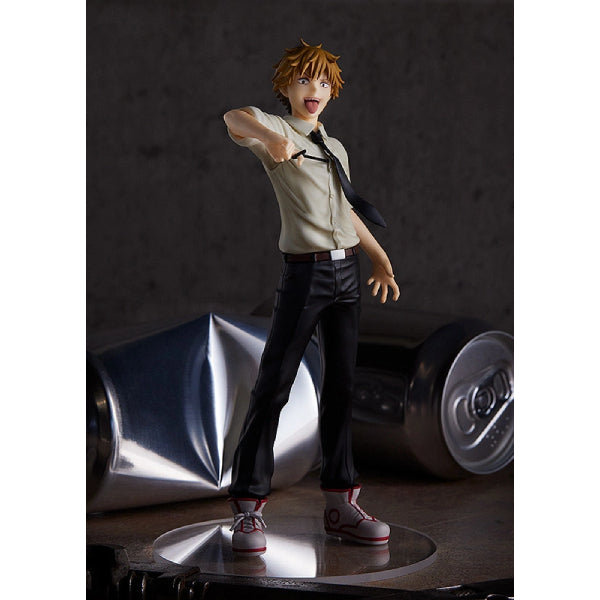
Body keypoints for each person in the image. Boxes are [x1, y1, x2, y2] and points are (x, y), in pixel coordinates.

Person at [223, 40, 400, 555]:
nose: (314, 90)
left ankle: (341, 502)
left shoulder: (335, 147)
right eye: (304, 80)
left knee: (342, 386)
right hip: (306, 273)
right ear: (286, 86)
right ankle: (249, 506)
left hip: (347, 274)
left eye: (323, 82)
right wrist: (269, 139)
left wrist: (379, 257)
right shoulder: (275, 131)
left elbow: (346, 212)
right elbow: (233, 117)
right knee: (275, 383)